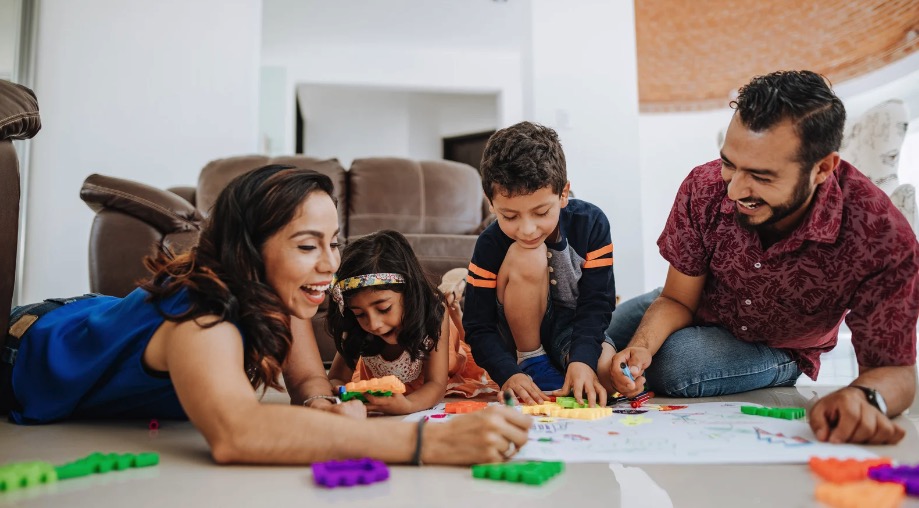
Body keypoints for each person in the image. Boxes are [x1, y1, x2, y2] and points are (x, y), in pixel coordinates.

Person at [0, 165, 530, 465]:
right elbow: (237, 433)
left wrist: (322, 402)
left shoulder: (283, 294)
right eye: (306, 245)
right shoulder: (201, 315)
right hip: (22, 345)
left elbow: (304, 377)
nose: (330, 265)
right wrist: (424, 443)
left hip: (92, 317)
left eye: (334, 242)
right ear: (251, 253)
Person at [600, 70, 918, 445]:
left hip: (780, 344)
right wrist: (640, 347)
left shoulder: (879, 234)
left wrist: (862, 396)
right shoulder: (704, 186)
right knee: (596, 329)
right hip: (697, 304)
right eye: (730, 164)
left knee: (675, 365)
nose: (734, 190)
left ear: (822, 168)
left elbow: (894, 370)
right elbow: (676, 299)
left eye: (761, 177)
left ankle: (778, 370)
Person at [464, 121, 616, 407]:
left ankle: (563, 366)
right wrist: (508, 373)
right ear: (491, 204)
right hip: (513, 337)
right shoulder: (489, 244)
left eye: (541, 212)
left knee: (605, 377)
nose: (528, 229)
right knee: (528, 253)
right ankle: (532, 361)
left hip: (571, 327)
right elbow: (478, 325)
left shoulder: (592, 224)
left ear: (563, 194)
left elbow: (597, 303)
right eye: (509, 216)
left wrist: (582, 360)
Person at [325, 230, 498, 415]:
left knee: (450, 343)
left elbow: (436, 384)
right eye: (359, 314)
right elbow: (336, 378)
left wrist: (407, 406)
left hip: (435, 343)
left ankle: (453, 299)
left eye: (383, 308)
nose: (373, 324)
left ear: (409, 294)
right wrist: (338, 397)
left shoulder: (434, 312)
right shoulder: (355, 324)